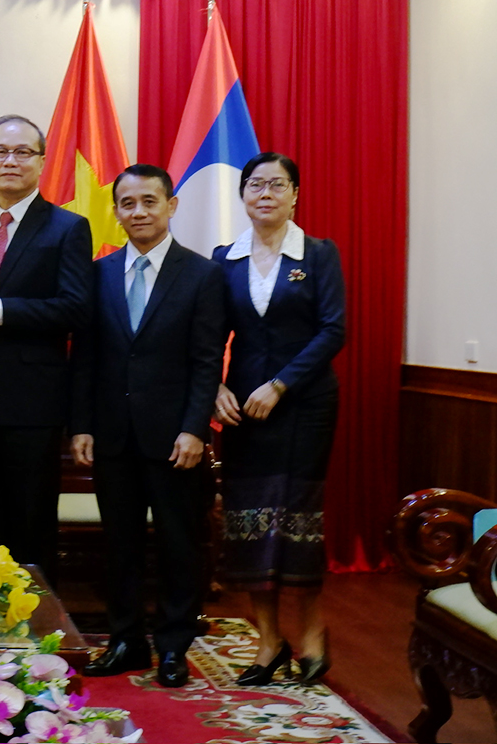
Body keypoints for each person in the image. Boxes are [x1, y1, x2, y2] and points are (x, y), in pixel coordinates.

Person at [69, 164, 224, 688]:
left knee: (179, 544)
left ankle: (175, 646)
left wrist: (194, 428)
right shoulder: (100, 273)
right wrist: (82, 423)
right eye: (127, 203)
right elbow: (86, 356)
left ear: (171, 205)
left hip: (173, 439)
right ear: (116, 211)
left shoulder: (202, 274)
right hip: (112, 434)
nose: (138, 212)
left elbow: (207, 361)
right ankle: (126, 641)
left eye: (149, 201)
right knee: (121, 544)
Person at [212, 152, 346, 686]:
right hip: (244, 411)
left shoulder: (318, 254)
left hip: (305, 406)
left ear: (295, 194)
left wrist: (280, 384)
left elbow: (333, 330)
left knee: (297, 522)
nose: (264, 193)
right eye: (254, 185)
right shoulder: (225, 259)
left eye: (277, 184)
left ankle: (313, 632)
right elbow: (207, 335)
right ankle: (269, 641)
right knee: (250, 522)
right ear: (243, 196)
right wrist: (214, 389)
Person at [0, 115, 91, 580]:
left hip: (31, 403)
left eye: (22, 152)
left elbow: (74, 309)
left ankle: (33, 633)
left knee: (29, 524)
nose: (10, 161)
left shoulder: (67, 228)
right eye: (0, 152)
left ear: (42, 161)